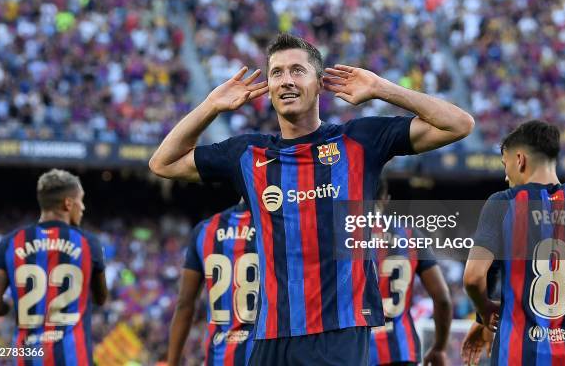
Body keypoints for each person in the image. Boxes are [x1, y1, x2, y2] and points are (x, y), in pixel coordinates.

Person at [150, 33, 474, 365]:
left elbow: (458, 124)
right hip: (272, 333)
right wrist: (210, 106)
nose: (286, 80)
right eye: (277, 73)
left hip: (342, 331)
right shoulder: (247, 153)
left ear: (319, 83)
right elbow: (163, 162)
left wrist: (381, 89)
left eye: (297, 70)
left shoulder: (359, 140)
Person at [463, 120, 565, 365]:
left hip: (517, 353)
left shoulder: (502, 202)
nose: (506, 177)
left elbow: (473, 277)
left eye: (505, 165)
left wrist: (485, 311)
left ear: (520, 160)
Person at [0, 169, 108, 365]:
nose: (82, 207)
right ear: (68, 203)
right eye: (80, 200)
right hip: (74, 357)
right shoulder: (89, 243)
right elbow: (101, 298)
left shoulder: (9, 243)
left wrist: (12, 306)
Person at [370, 177, 452, 366]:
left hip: (355, 351)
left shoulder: (343, 235)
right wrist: (439, 348)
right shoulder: (410, 234)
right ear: (385, 198)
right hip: (402, 350)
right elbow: (443, 299)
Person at [168, 203, 257, 365]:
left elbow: (184, 305)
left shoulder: (205, 229)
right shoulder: (276, 226)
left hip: (217, 358)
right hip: (262, 356)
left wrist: (172, 363)